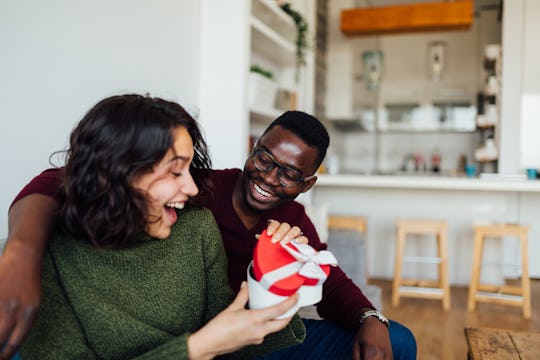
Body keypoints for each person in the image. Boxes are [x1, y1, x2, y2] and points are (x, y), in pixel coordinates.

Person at [1, 111, 416, 359]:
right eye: (264, 159)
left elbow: (328, 280)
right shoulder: (199, 190)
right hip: (210, 334)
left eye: (289, 173)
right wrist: (20, 252)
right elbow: (67, 179)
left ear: (307, 184)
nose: (269, 178)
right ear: (253, 149)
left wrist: (368, 316)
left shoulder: (288, 217)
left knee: (395, 340)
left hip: (244, 332)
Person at [4, 94, 307, 359]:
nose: (191, 188)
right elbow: (213, 341)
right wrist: (198, 349)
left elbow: (230, 332)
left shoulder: (196, 226)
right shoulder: (51, 253)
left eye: (189, 168)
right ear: (120, 174)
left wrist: (274, 278)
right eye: (175, 172)